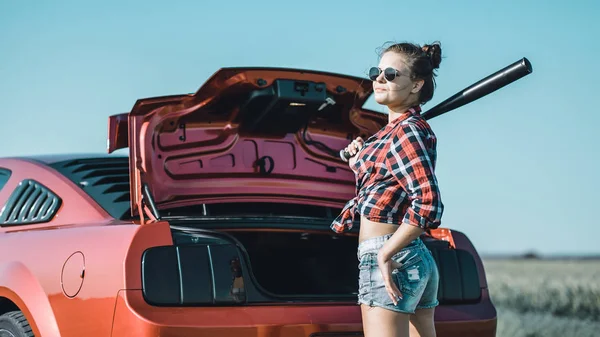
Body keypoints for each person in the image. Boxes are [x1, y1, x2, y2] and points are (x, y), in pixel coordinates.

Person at [332, 41, 444, 337]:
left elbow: (428, 204)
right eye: (376, 72)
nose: (379, 79)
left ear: (417, 84)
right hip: (408, 255)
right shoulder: (394, 133)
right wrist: (358, 161)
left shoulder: (407, 131)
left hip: (391, 256)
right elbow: (382, 188)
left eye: (391, 74)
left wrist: (385, 254)